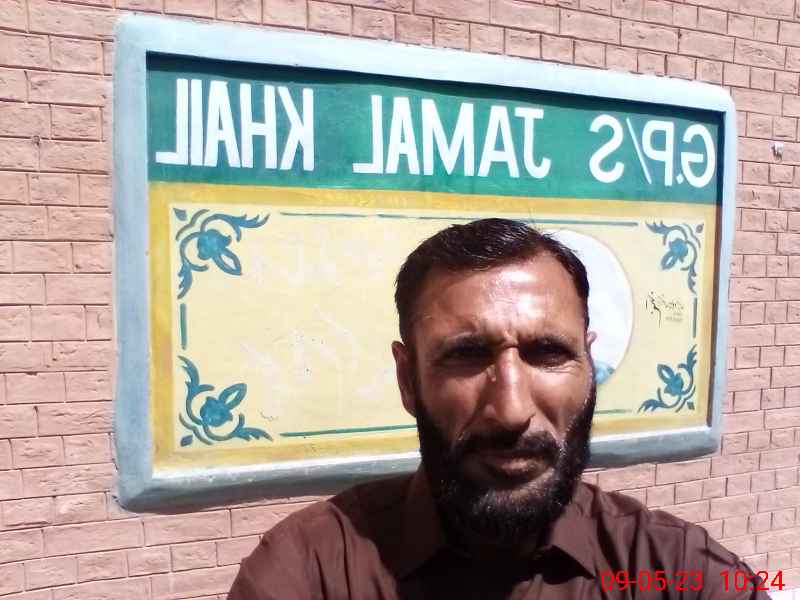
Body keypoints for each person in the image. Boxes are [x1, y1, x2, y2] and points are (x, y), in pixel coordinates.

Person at [228, 218, 768, 599]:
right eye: (466, 355)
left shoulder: (675, 571)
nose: (511, 410)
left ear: (588, 366)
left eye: (548, 353)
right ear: (408, 379)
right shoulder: (312, 573)